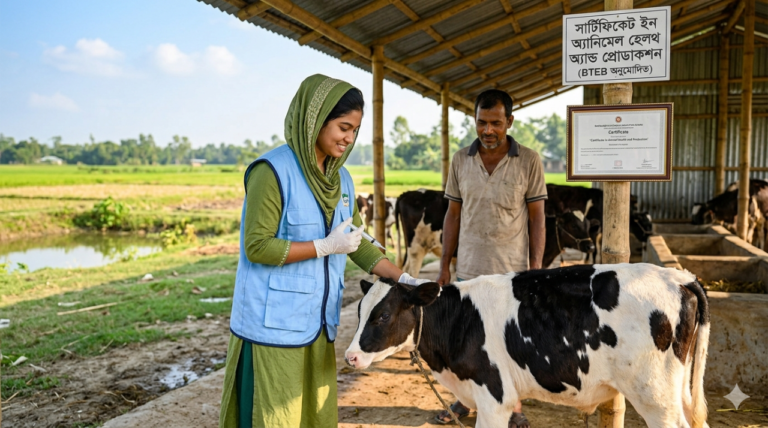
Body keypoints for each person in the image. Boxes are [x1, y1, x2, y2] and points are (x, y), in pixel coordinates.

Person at [219, 74, 422, 428]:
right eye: (343, 127)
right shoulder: (272, 172)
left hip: (317, 323)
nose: (349, 139)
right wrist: (324, 247)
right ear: (315, 119)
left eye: (355, 131)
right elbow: (257, 247)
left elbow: (357, 242)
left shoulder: (341, 180)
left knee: (312, 415)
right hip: (274, 328)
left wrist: (401, 277)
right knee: (273, 416)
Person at [434, 89, 547, 428]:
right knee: (465, 337)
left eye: (496, 123)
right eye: (482, 123)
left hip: (510, 272)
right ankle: (465, 399)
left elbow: (537, 217)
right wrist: (444, 264)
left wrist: (536, 268)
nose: (488, 130)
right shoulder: (460, 160)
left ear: (509, 122)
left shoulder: (528, 160)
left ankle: (513, 406)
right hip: (468, 268)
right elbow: (452, 215)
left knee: (509, 340)